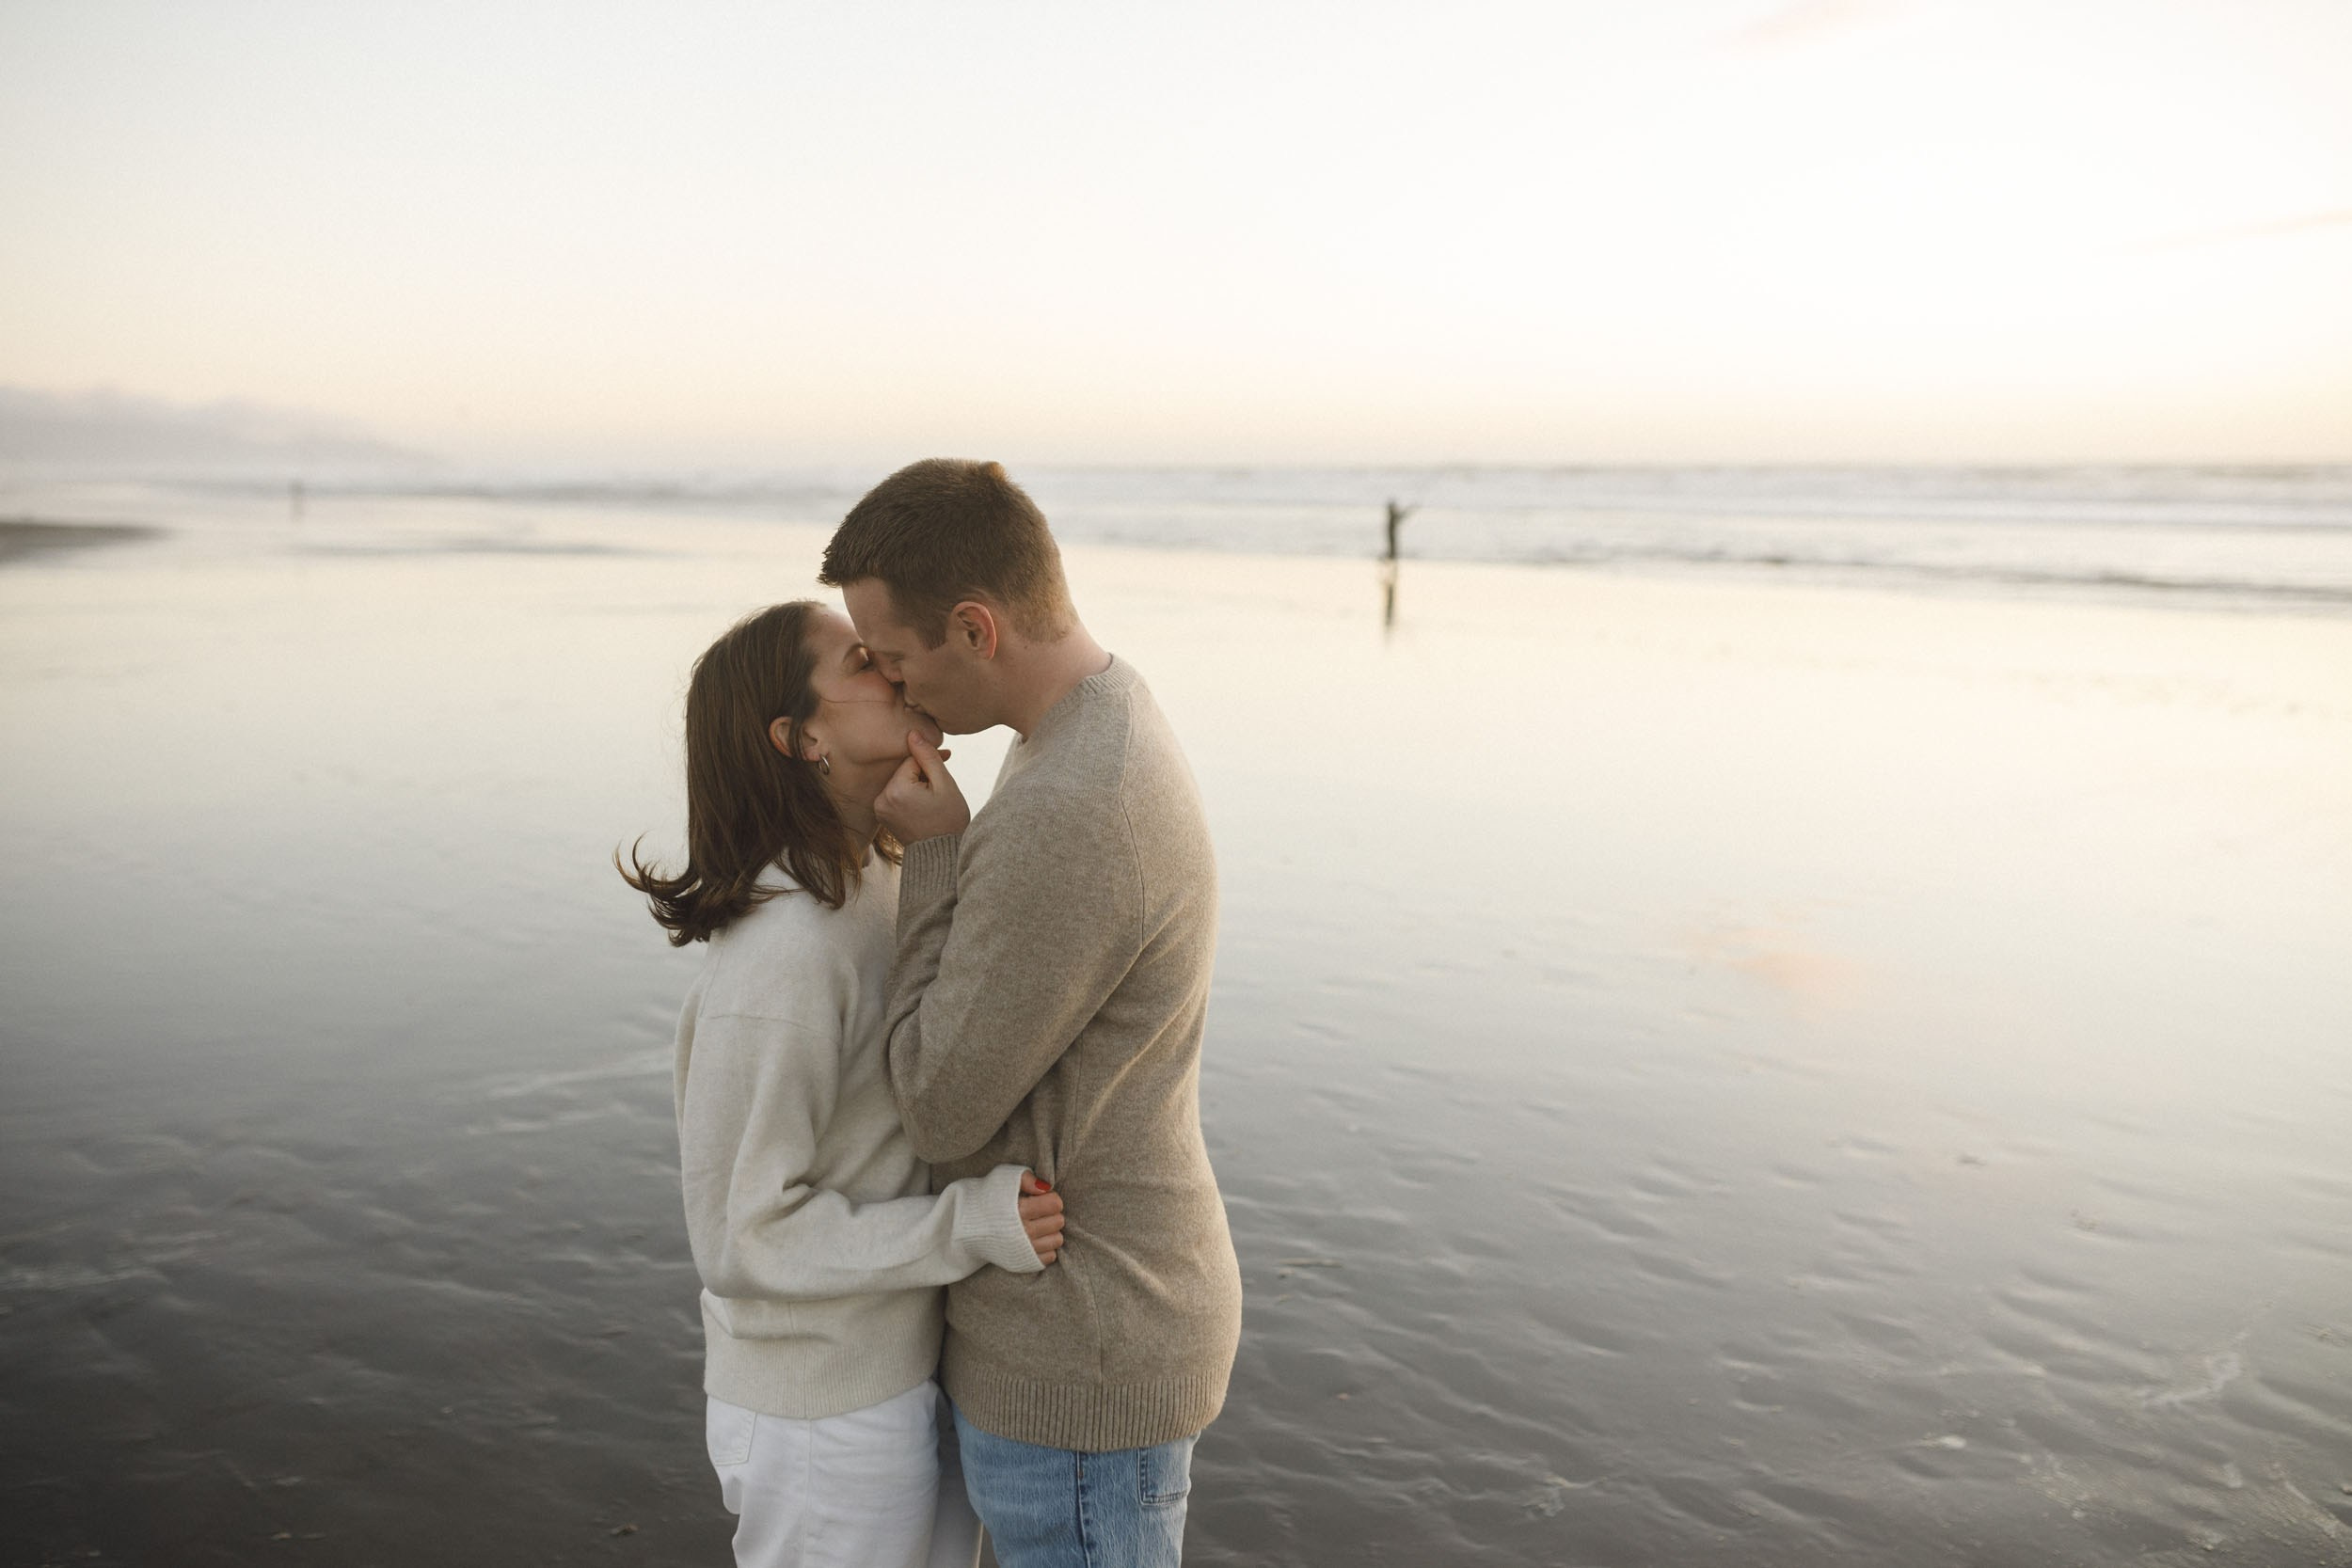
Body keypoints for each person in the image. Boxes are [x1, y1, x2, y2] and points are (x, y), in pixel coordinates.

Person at [818, 460, 1244, 1568]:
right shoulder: (1094, 723)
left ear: (975, 627)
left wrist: (934, 855)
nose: (900, 693)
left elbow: (940, 1104)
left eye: (901, 660)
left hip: (1082, 1346)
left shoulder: (1069, 805)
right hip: (1101, 1322)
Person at [621, 600, 1070, 1568]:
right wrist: (968, 1225)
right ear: (802, 737)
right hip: (820, 1415)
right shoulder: (783, 952)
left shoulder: (883, 874)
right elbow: (744, 1236)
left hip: (904, 1372)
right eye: (863, 662)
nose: (899, 672)